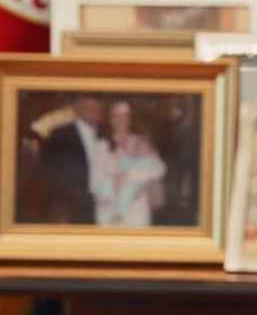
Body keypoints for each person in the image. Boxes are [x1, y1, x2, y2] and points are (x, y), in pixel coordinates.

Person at [90, 100, 166, 228]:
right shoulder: (100, 146)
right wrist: (114, 181)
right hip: (108, 211)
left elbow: (158, 170)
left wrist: (139, 178)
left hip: (138, 211)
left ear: (131, 118)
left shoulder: (142, 142)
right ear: (110, 119)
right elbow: (94, 184)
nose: (121, 120)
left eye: (125, 115)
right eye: (116, 115)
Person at [40, 95, 103, 224]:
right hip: (70, 207)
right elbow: (50, 171)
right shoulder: (59, 134)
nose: (94, 113)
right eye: (89, 108)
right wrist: (58, 208)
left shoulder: (105, 134)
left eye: (97, 109)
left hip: (102, 205)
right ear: (77, 109)